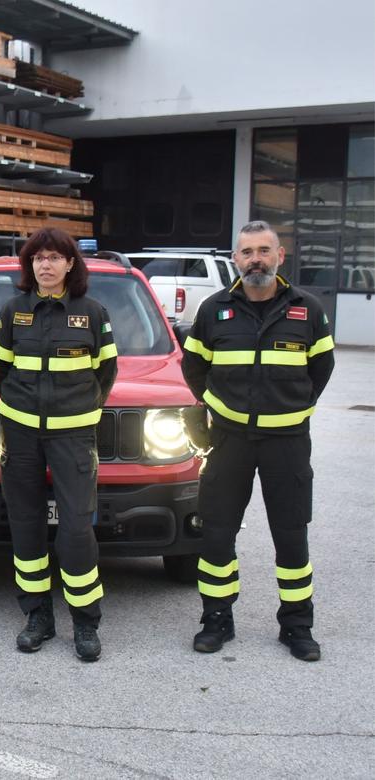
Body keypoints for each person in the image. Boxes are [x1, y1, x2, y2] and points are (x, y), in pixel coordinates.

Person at [181, 220, 335, 661]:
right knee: (217, 533)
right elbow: (194, 368)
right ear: (235, 259)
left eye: (264, 251)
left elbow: (321, 370)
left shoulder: (308, 308)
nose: (256, 260)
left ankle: (297, 625)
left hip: (287, 440)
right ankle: (216, 619)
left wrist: (296, 407)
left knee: (290, 534)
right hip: (229, 439)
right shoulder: (213, 310)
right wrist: (216, 405)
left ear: (280, 257)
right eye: (247, 252)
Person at [0, 227, 117, 662]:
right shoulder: (13, 311)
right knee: (25, 525)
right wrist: (21, 407)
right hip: (20, 433)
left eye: (54, 257)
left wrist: (77, 410)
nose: (45, 264)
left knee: (77, 528)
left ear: (69, 264)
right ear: (30, 266)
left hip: (74, 435)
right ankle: (38, 616)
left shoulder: (92, 313)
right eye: (37, 258)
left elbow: (106, 372)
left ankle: (85, 622)